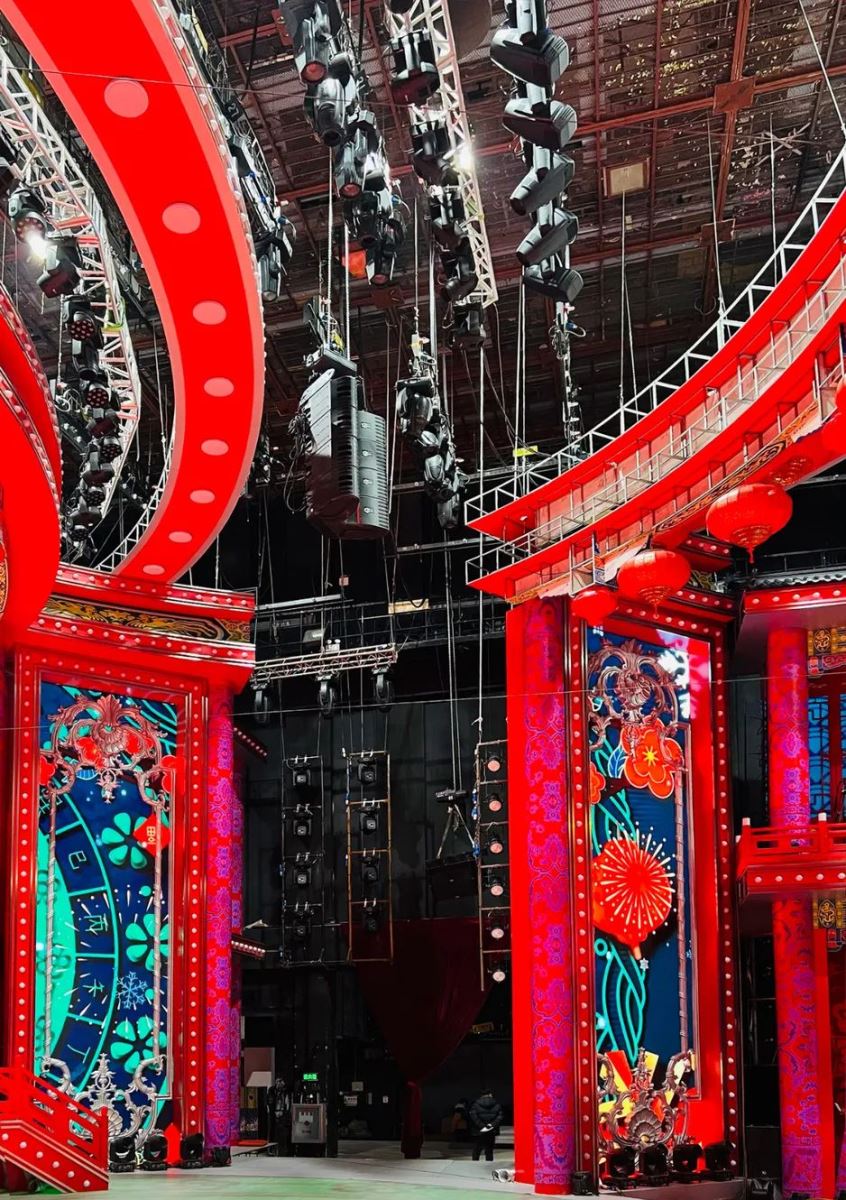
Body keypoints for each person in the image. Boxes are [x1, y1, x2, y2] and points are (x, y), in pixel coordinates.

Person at [469, 1088, 503, 1162]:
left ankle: (474, 1165)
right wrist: (491, 1126)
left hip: (479, 1130)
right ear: (490, 1094)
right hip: (491, 1130)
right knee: (489, 1150)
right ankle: (489, 1164)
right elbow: (499, 1117)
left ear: (481, 1095)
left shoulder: (475, 1104)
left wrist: (482, 1126)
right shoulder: (497, 1104)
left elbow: (473, 1117)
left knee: (477, 1149)